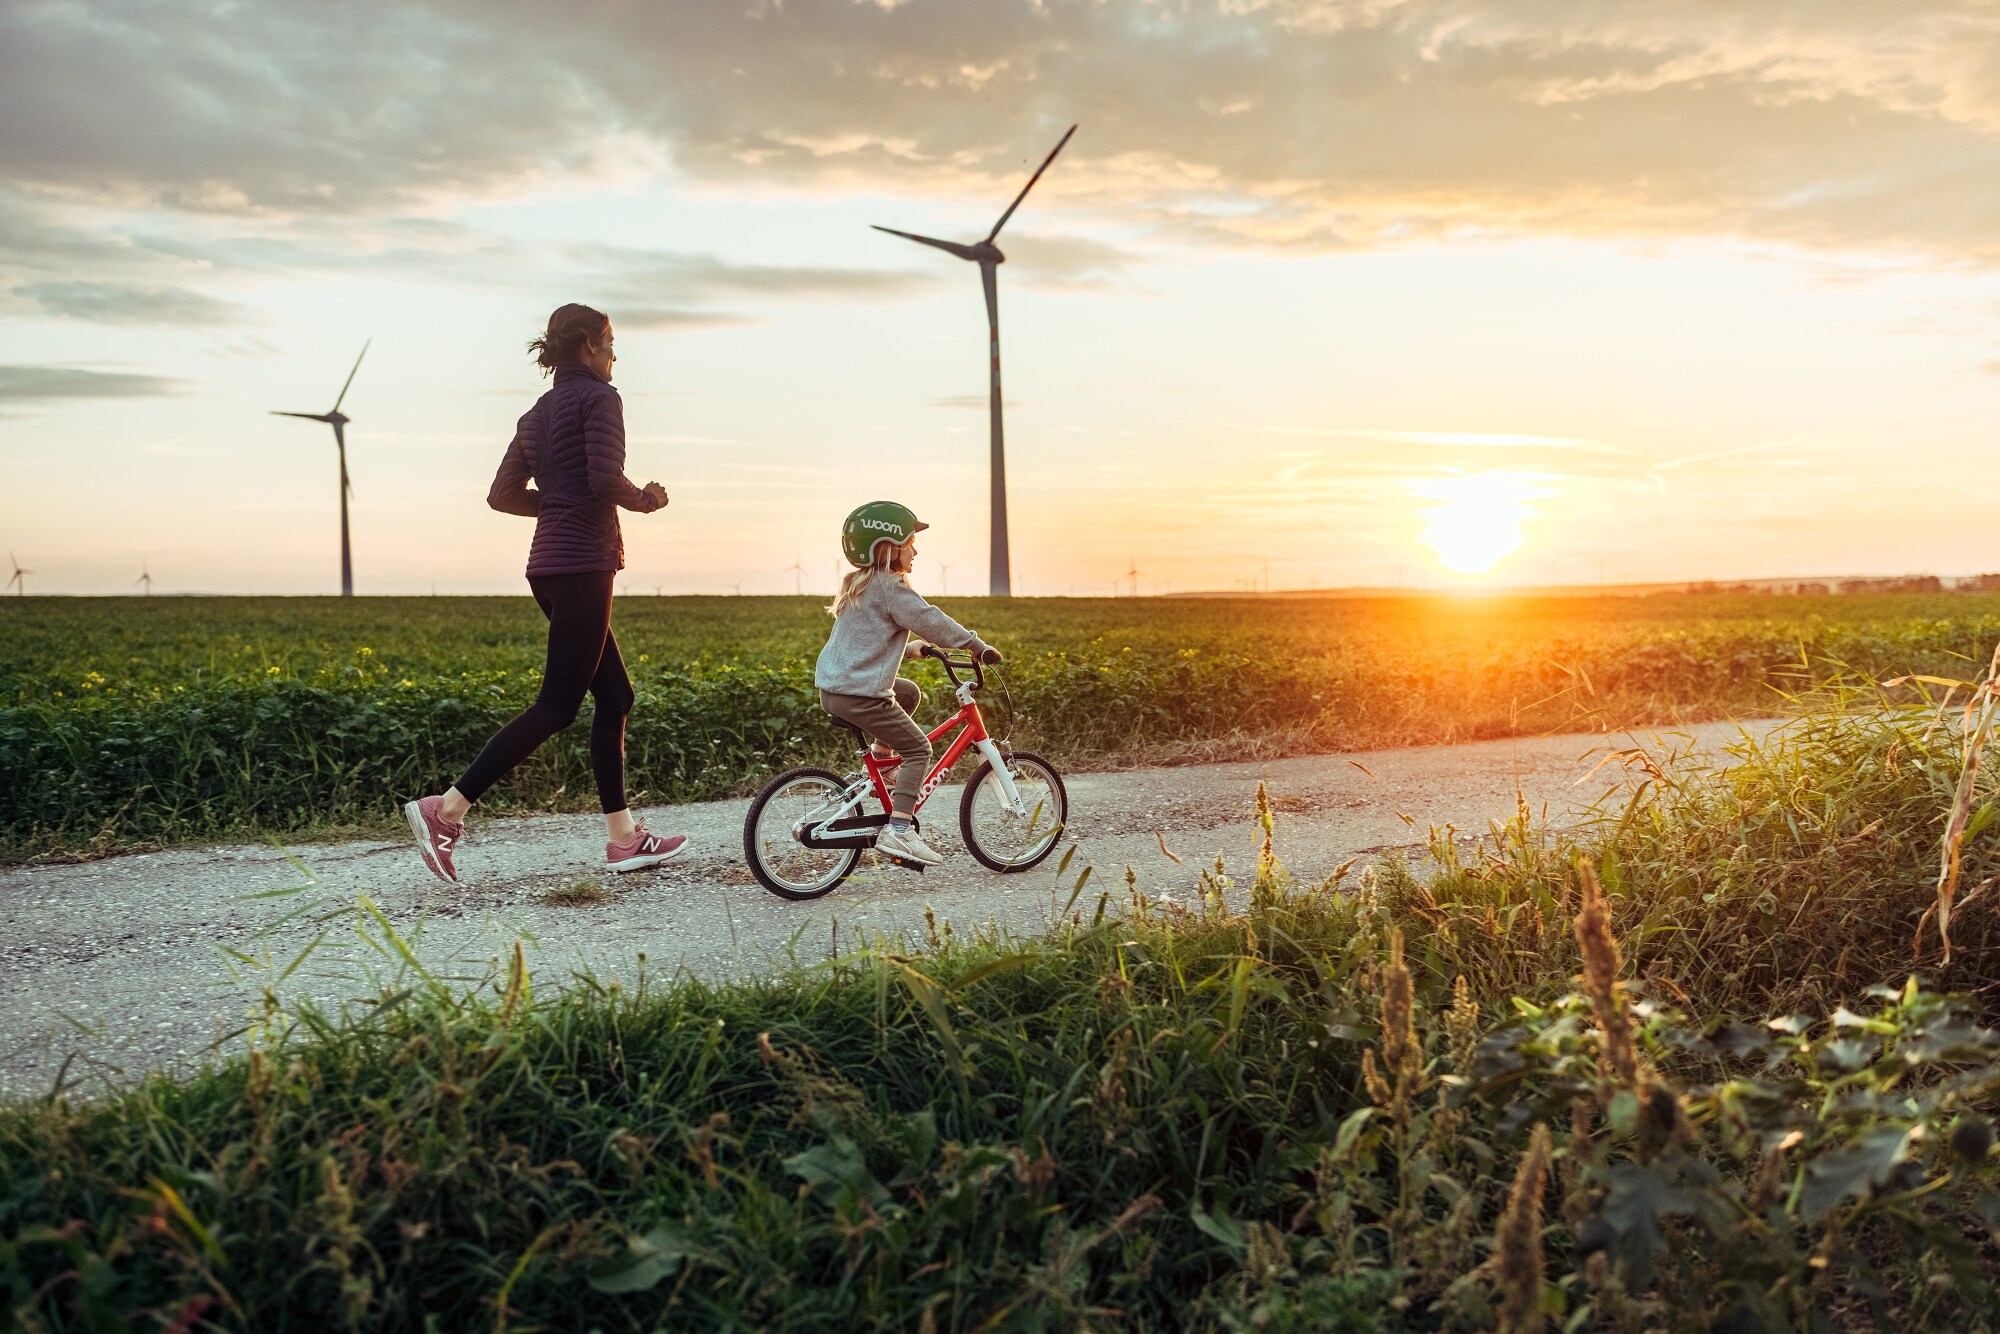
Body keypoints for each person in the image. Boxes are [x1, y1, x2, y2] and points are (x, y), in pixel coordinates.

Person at [404, 303, 687, 883]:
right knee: (557, 705)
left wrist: (558, 503)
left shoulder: (535, 413)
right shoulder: (600, 399)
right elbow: (604, 479)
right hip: (583, 563)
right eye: (610, 342)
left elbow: (502, 495)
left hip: (548, 567)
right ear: (589, 344)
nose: (615, 354)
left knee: (615, 697)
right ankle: (446, 810)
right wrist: (647, 500)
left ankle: (624, 839)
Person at [815, 501, 1000, 867]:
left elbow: (867, 636)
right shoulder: (891, 588)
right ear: (888, 547)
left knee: (907, 692)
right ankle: (899, 829)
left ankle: (884, 763)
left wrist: (911, 649)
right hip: (860, 695)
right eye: (910, 544)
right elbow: (932, 620)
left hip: (835, 691)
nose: (915, 552)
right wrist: (976, 645)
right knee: (918, 750)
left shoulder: (859, 584)